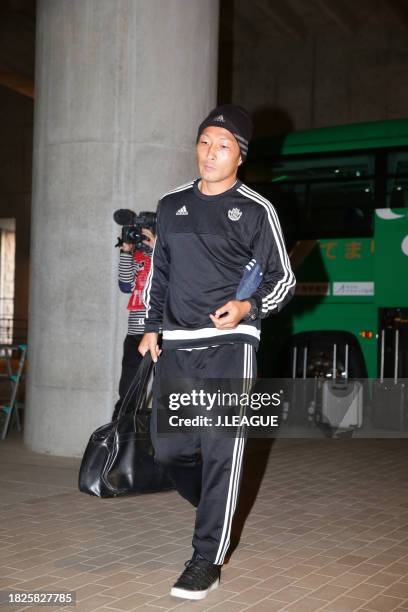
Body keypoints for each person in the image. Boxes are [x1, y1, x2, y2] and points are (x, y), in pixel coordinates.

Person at [139, 104, 295, 600]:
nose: (210, 153)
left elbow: (283, 280)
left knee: (223, 450)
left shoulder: (255, 210)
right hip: (179, 344)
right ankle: (215, 502)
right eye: (205, 142)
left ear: (240, 156)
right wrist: (150, 327)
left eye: (222, 145)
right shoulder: (170, 206)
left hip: (231, 343)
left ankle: (206, 557)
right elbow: (159, 274)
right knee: (171, 449)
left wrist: (248, 306)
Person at [111, 228, 156, 421]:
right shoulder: (136, 256)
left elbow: (174, 280)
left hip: (161, 333)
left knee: (169, 392)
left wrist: (158, 250)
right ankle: (118, 442)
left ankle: (166, 447)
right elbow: (125, 285)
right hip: (135, 334)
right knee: (128, 392)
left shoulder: (168, 253)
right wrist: (126, 252)